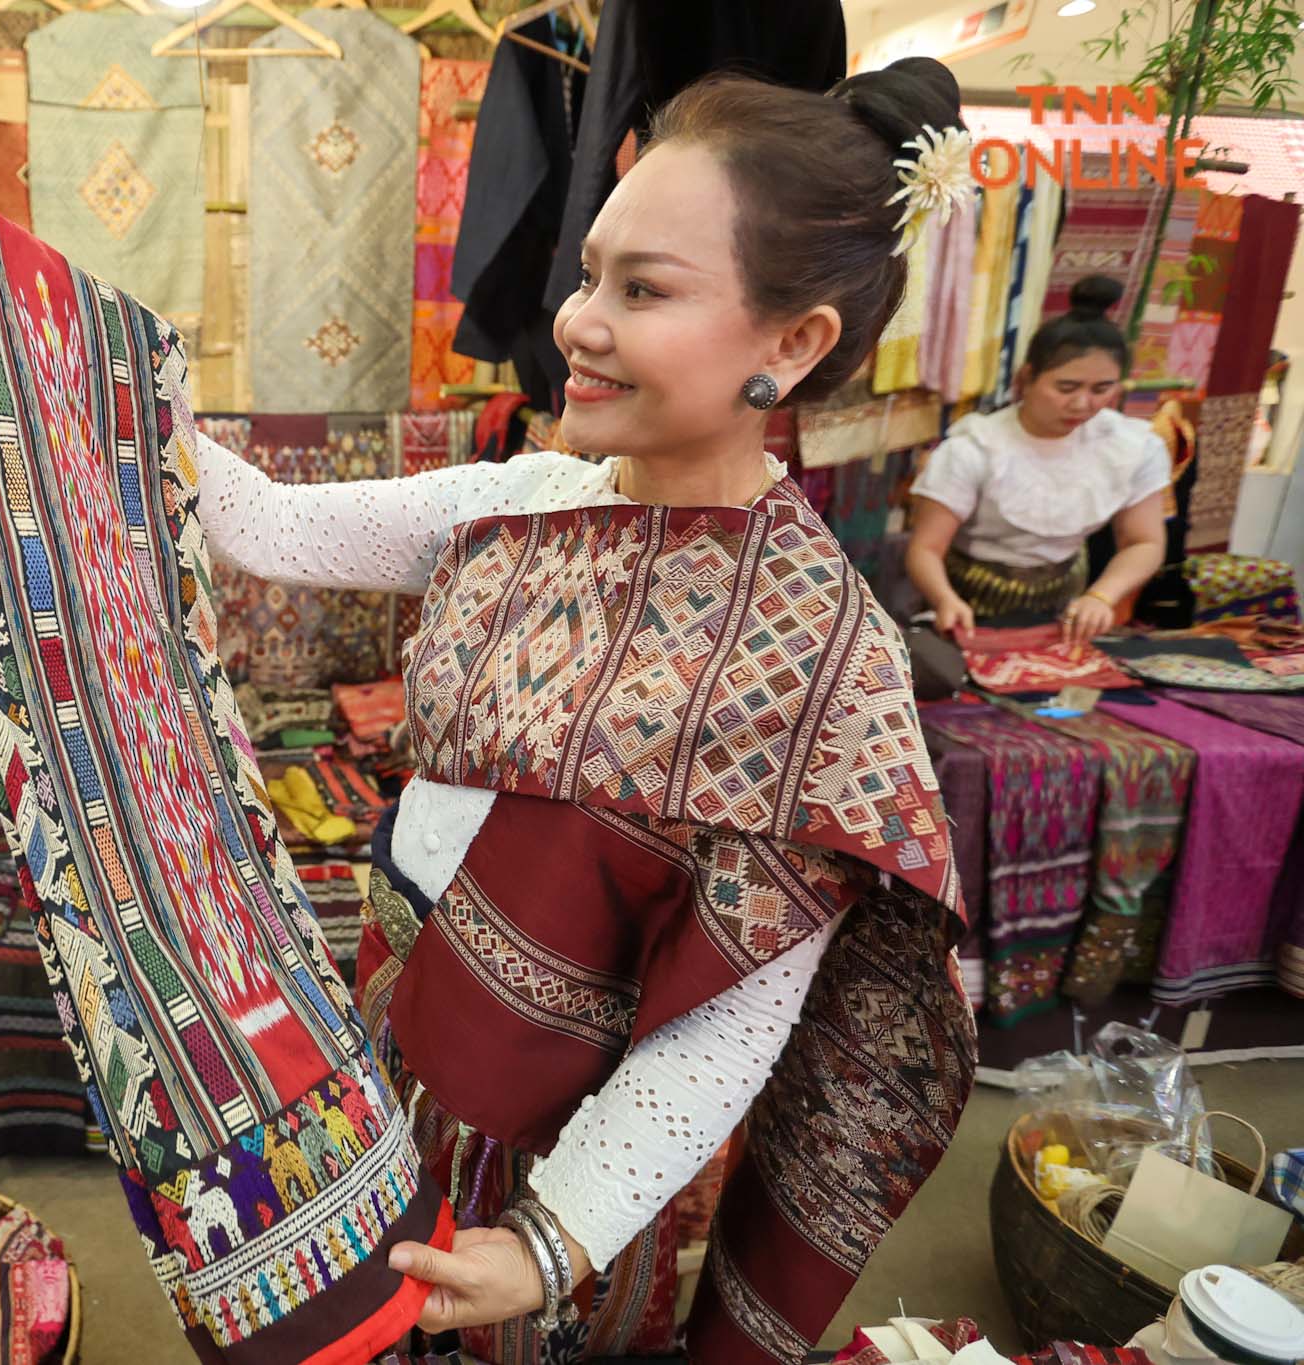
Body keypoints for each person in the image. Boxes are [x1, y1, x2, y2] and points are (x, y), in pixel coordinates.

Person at [190, 62, 976, 1362]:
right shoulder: (530, 502)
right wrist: (88, 378)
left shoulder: (822, 662)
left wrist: (554, 1238)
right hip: (397, 1044)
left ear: (794, 343)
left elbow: (730, 1019)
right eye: (589, 273)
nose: (576, 321)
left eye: (644, 289)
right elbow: (269, 523)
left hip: (567, 1159)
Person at [906, 274, 1171, 644]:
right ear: (1026, 378)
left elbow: (1145, 542)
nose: (1083, 404)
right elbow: (926, 548)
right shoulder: (976, 447)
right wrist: (945, 599)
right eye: (1066, 387)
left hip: (1068, 609)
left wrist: (1101, 596)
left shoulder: (1131, 445)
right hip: (967, 605)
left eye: (1102, 389)